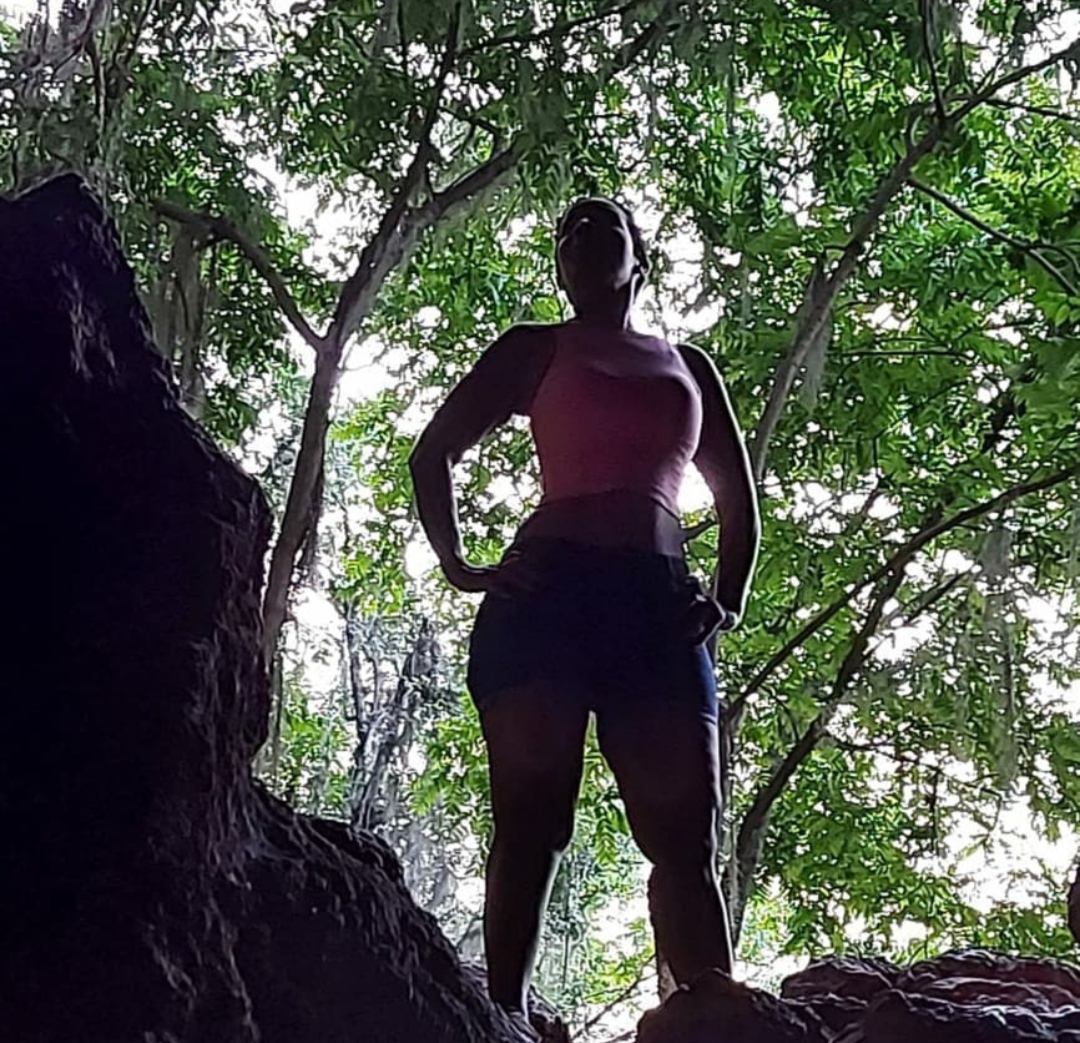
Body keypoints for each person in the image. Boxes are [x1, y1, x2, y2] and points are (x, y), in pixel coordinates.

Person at [409, 197, 760, 1026]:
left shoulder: (688, 365)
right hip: (547, 599)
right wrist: (461, 566)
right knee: (531, 819)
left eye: (604, 227)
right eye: (568, 232)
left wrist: (726, 601)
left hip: (658, 608)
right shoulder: (533, 349)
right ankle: (504, 1018)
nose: (582, 239)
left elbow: (738, 503)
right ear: (559, 267)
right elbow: (433, 452)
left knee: (685, 837)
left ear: (641, 258)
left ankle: (717, 1026)